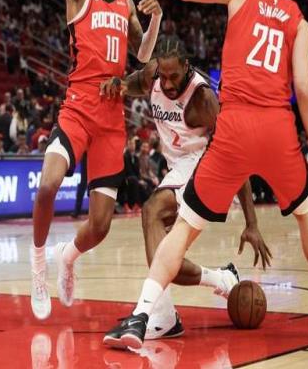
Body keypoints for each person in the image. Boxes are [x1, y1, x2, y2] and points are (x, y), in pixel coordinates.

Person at [104, 0, 308, 349]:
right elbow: (305, 92)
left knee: (183, 229)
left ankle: (142, 315)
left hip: (233, 129)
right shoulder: (300, 23)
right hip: (277, 129)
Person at [31, 0, 163, 320]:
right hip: (78, 109)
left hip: (111, 119)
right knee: (48, 185)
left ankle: (67, 258)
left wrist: (156, 18)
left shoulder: (124, 1)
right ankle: (37, 268)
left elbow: (143, 56)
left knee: (101, 225)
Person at [102, 36, 270, 342]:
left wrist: (252, 222)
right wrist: (120, 84)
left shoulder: (202, 98)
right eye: (163, 76)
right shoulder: (154, 75)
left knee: (152, 210)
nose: (167, 84)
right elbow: (135, 83)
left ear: (187, 67)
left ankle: (162, 316)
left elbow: (235, 155)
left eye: (174, 76)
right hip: (178, 168)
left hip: (203, 165)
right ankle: (221, 278)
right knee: (167, 258)